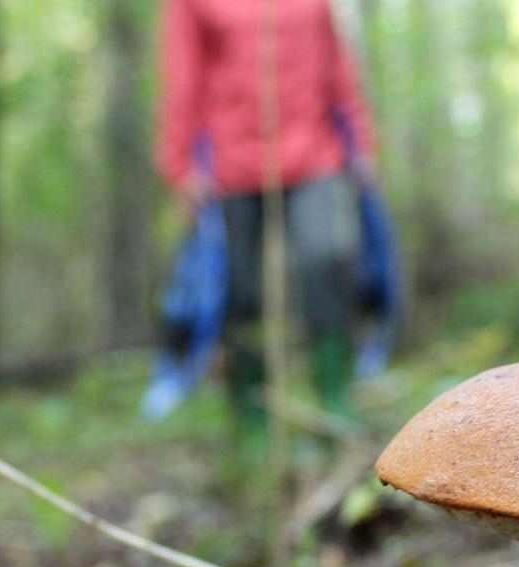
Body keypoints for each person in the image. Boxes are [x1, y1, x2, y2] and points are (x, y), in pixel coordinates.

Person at [155, 0, 379, 438]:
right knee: (240, 292)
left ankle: (335, 398)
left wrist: (361, 143)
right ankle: (253, 419)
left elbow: (338, 68)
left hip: (316, 152)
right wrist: (178, 162)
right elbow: (182, 77)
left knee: (328, 256)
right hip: (230, 159)